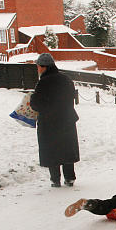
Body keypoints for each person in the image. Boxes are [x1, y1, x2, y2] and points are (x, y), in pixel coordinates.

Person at [30, 53, 79, 187]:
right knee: (67, 148)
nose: (38, 69)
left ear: (44, 67)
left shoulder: (43, 82)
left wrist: (32, 98)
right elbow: (71, 97)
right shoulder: (66, 79)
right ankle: (69, 177)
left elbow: (36, 104)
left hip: (49, 122)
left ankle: (55, 179)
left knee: (52, 150)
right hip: (67, 119)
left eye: (38, 66)